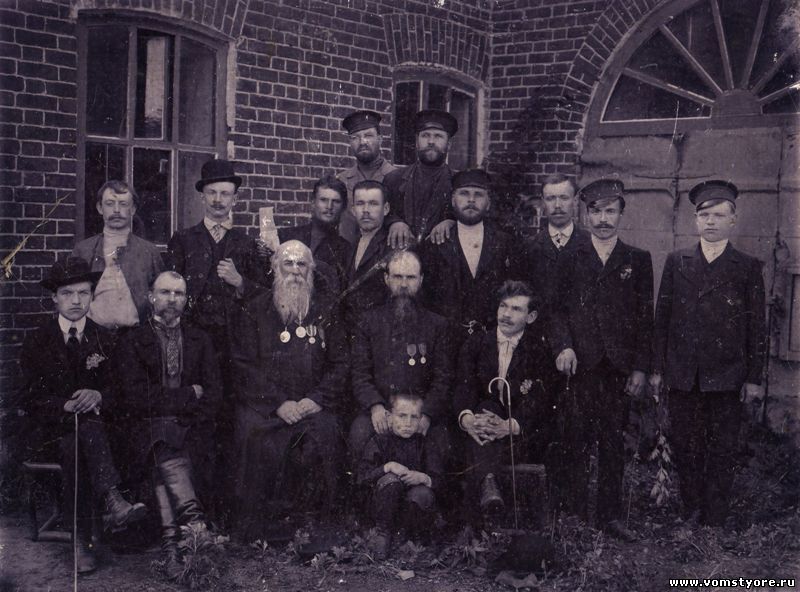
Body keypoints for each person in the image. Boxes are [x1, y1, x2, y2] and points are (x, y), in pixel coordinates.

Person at [650, 180, 766, 527]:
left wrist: (754, 378)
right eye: (704, 215)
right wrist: (658, 368)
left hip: (727, 376)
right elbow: (662, 319)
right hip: (685, 374)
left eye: (719, 215)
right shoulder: (677, 261)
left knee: (722, 447)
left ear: (733, 220)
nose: (711, 221)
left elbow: (756, 327)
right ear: (695, 220)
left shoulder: (747, 266)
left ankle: (715, 516)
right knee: (686, 444)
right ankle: (692, 509)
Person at [20, 258, 147, 573]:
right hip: (51, 432)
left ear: (92, 295)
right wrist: (64, 405)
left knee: (79, 441)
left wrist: (99, 395)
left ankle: (81, 542)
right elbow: (27, 397)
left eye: (83, 293)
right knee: (74, 441)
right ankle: (112, 500)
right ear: (54, 297)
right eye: (67, 294)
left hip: (99, 435)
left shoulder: (107, 339)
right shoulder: (37, 340)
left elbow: (123, 393)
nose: (76, 301)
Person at [165, 159, 269, 523]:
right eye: (212, 193)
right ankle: (195, 507)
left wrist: (241, 282)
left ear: (235, 199)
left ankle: (228, 508)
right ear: (202, 197)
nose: (218, 200)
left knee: (231, 423)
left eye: (226, 193)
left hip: (235, 350)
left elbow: (264, 299)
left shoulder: (247, 244)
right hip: (195, 348)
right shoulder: (183, 240)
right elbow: (171, 291)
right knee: (198, 422)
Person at [550, 178, 653, 541]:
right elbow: (556, 310)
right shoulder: (570, 257)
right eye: (596, 212)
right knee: (576, 438)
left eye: (611, 211)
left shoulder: (637, 259)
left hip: (617, 367)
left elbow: (645, 317)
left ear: (621, 213)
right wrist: (563, 346)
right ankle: (576, 513)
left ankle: (610, 516)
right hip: (581, 364)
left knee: (612, 442)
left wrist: (640, 367)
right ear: (586, 215)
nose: (604, 219)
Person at [228, 240, 348, 541]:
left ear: (310, 270)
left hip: (312, 404)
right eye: (288, 263)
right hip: (267, 406)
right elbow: (244, 366)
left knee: (326, 434)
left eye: (301, 264)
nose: (295, 270)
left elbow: (341, 363)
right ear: (275, 268)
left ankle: (314, 523)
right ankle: (262, 525)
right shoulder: (254, 309)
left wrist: (316, 399)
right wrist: (279, 404)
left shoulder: (326, 309)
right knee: (254, 435)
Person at [115, 271, 221, 566]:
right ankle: (195, 526)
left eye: (178, 294)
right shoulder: (133, 340)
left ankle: (171, 539)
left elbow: (214, 393)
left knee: (164, 445)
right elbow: (136, 398)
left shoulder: (201, 339)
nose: (172, 299)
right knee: (160, 437)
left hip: (190, 427)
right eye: (165, 292)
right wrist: (188, 394)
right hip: (145, 427)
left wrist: (186, 413)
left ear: (186, 300)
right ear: (151, 297)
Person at [454, 280, 558, 516]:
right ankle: (489, 487)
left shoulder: (539, 351)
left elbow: (541, 402)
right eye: (503, 306)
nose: (506, 315)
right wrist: (467, 418)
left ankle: (487, 488)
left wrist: (509, 426)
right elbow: (463, 386)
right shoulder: (477, 343)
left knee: (489, 419)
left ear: (531, 317)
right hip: (478, 428)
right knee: (486, 406)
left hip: (518, 435)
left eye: (516, 309)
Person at [349, 250, 453, 456]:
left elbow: (443, 378)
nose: (404, 284)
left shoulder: (437, 325)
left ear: (420, 280)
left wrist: (426, 414)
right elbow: (360, 374)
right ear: (386, 279)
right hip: (381, 409)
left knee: (440, 443)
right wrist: (375, 406)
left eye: (410, 277)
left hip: (420, 413)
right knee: (359, 434)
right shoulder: (368, 322)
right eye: (397, 277)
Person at [420, 169, 516, 346]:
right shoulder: (435, 243)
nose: (471, 200)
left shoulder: (505, 243)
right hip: (445, 342)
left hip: (491, 341)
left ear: (488, 203)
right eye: (464, 193)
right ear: (453, 200)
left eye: (478, 194)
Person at [357, 393, 444, 559]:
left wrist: (424, 478)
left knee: (422, 493)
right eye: (402, 416)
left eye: (414, 417)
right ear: (389, 417)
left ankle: (413, 537)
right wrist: (386, 467)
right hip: (383, 506)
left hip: (411, 507)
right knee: (390, 481)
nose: (408, 423)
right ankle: (383, 534)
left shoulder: (425, 443)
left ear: (421, 419)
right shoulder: (379, 441)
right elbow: (362, 477)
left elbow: (441, 479)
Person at [72, 180, 164, 331]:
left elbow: (160, 298)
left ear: (133, 209)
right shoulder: (83, 250)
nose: (116, 210)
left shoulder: (149, 251)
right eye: (109, 204)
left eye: (123, 204)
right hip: (94, 335)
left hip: (135, 336)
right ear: (100, 208)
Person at [383, 109, 459, 248]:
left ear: (449, 144)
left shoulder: (458, 184)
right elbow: (382, 213)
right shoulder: (393, 179)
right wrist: (395, 222)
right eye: (425, 135)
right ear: (417, 142)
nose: (431, 141)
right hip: (401, 255)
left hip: (440, 256)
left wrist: (451, 222)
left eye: (438, 136)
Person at [519, 173, 591, 307]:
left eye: (564, 198)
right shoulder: (528, 248)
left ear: (575, 201)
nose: (558, 205)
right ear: (543, 203)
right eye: (551, 198)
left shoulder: (592, 244)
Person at [278, 175, 352, 290]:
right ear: (313, 202)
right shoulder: (286, 236)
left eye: (336, 201)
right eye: (323, 200)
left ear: (343, 207)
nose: (329, 206)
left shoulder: (346, 250)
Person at [336, 110, 397, 244]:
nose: (362, 142)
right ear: (350, 142)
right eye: (355, 137)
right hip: (348, 252)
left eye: (368, 135)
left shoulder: (397, 177)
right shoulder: (341, 181)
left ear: (380, 139)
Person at [343, 180, 395, 326]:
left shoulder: (393, 245)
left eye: (373, 203)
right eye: (360, 203)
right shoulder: (351, 245)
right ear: (353, 209)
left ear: (386, 209)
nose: (366, 210)